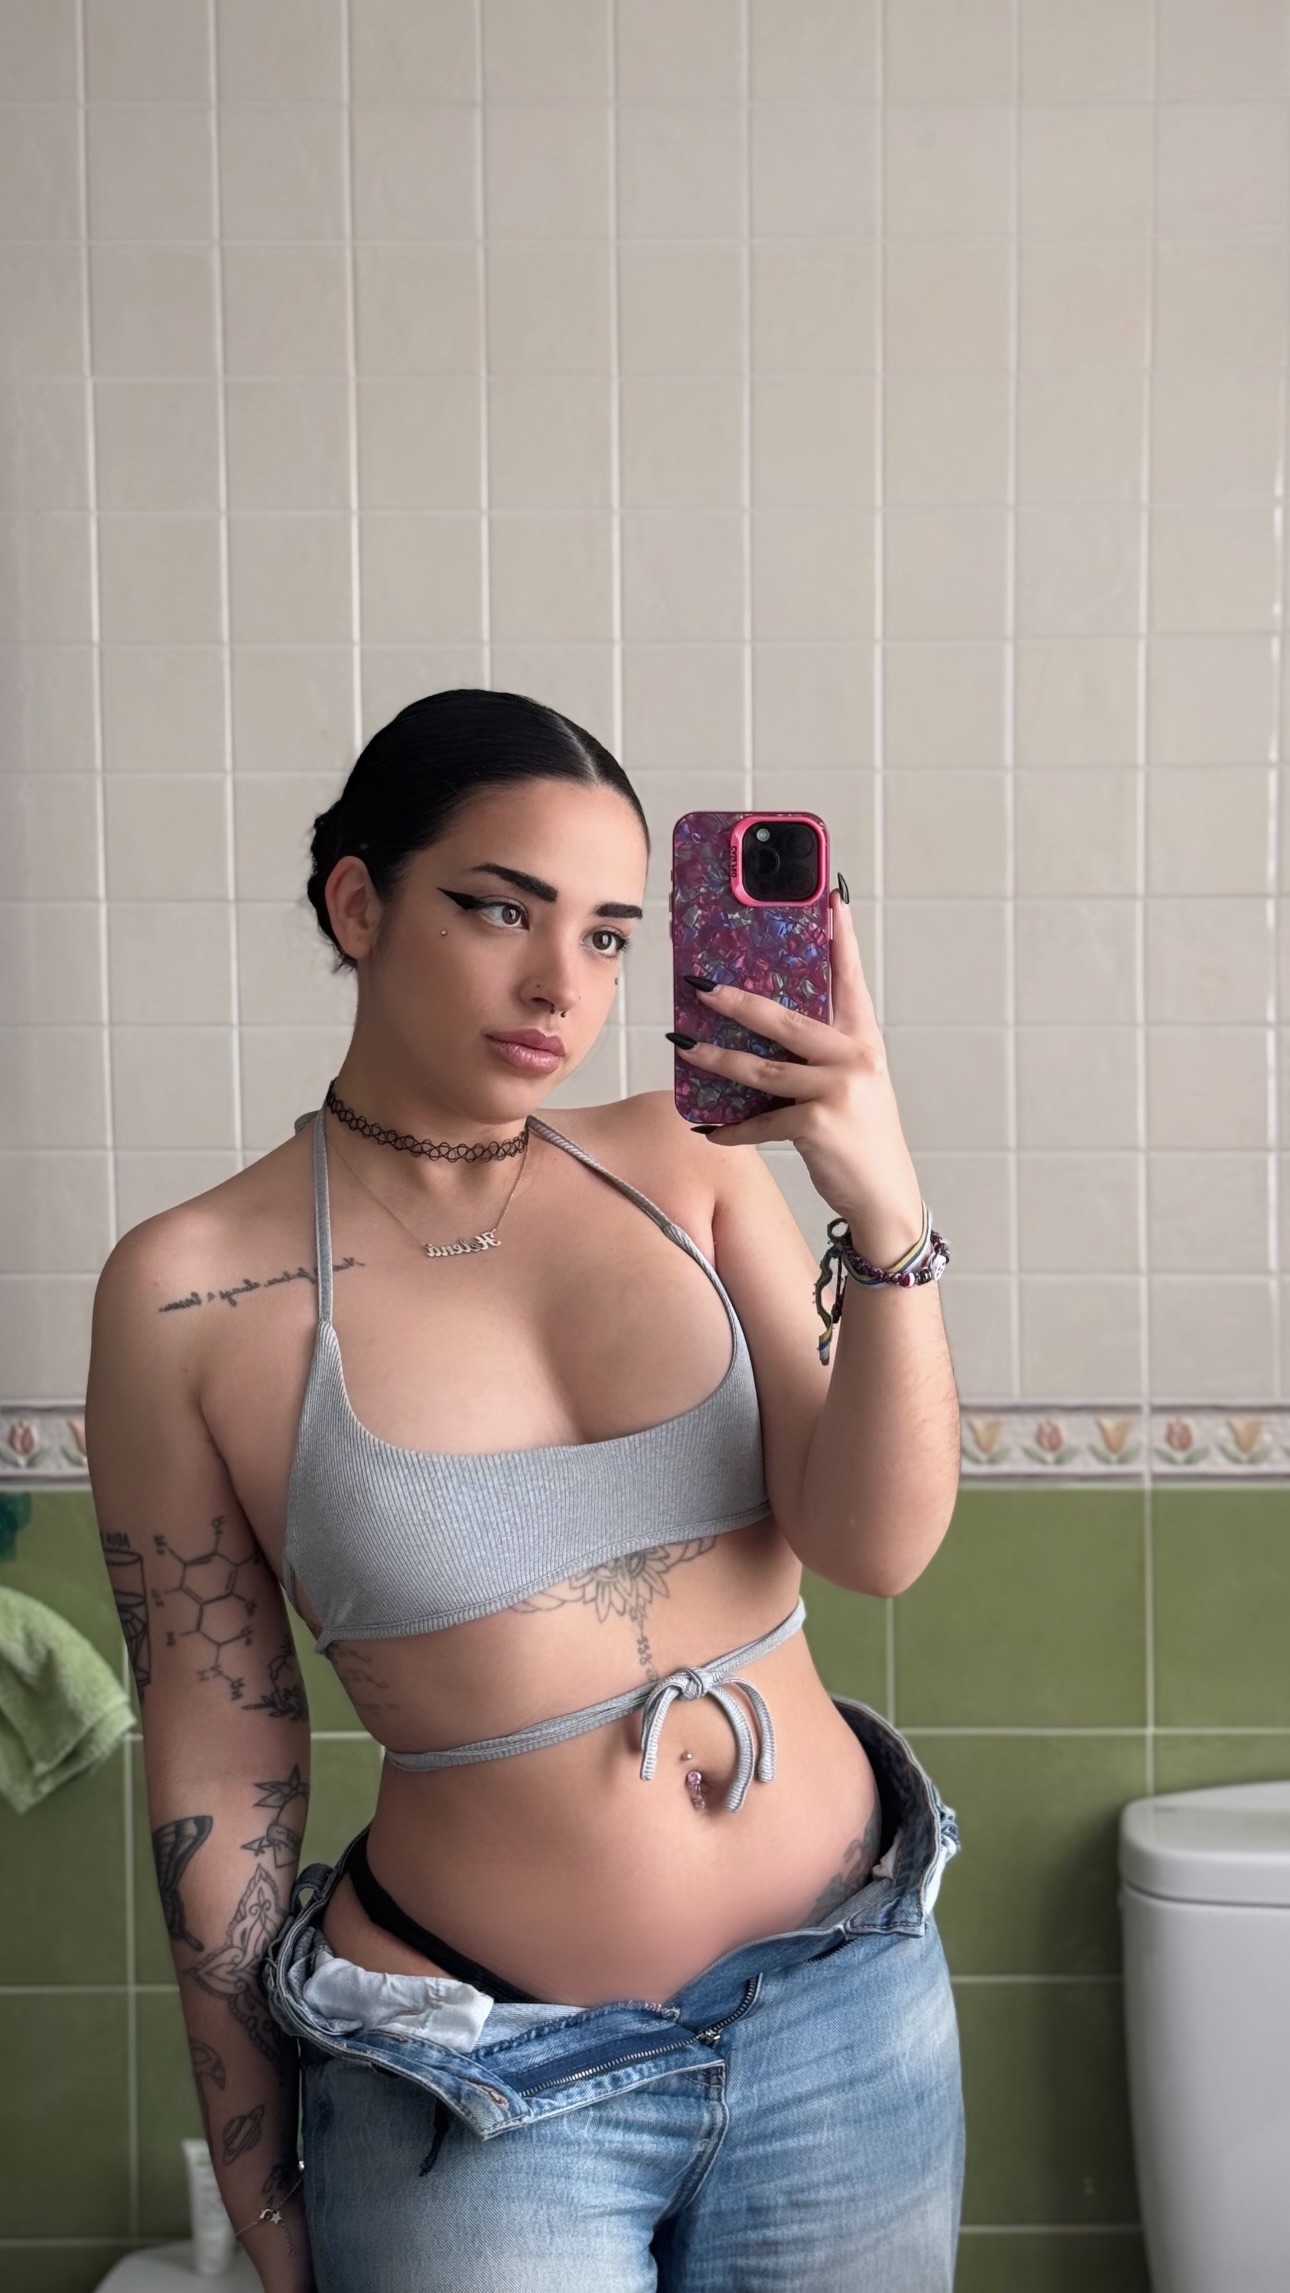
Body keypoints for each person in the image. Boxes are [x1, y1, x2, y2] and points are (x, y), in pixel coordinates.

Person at [87, 689, 964, 2293]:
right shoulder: (189, 1292)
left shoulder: (693, 1169)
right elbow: (219, 1749)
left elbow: (878, 1543)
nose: (563, 984)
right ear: (359, 903)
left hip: (843, 2003)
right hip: (476, 2086)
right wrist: (262, 2193)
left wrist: (883, 1207)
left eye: (609, 935)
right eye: (501, 909)